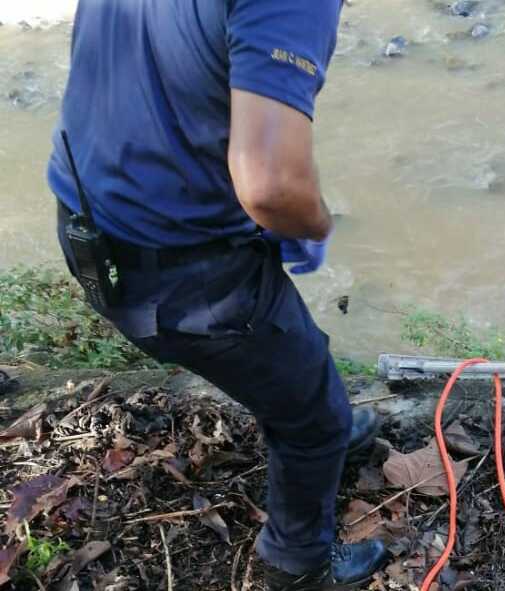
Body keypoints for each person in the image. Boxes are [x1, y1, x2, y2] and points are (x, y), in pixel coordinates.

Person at [47, 1, 387, 589]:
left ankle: (292, 413)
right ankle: (297, 562)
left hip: (86, 221)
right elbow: (273, 185)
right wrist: (317, 224)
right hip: (183, 273)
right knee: (318, 413)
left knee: (281, 355)